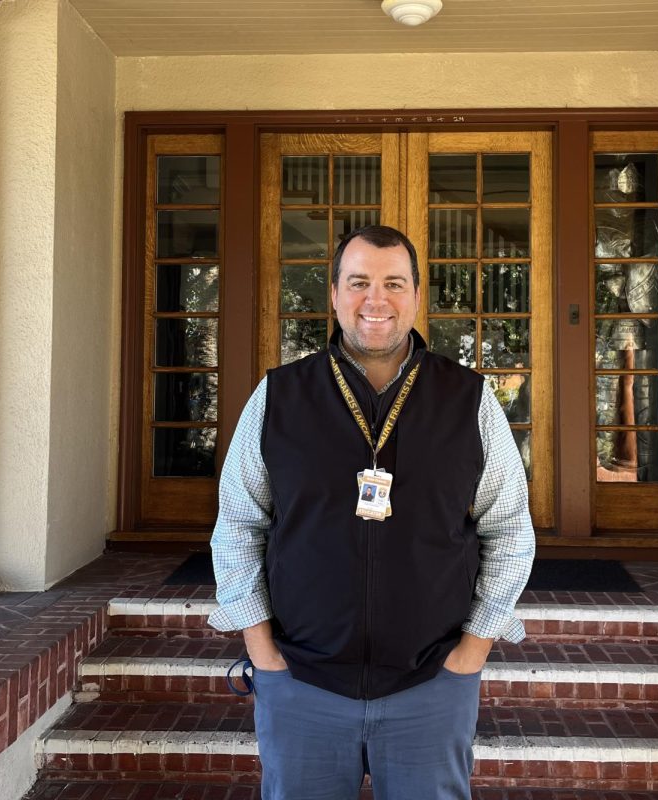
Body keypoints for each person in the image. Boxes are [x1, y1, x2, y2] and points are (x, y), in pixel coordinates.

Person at [209, 225, 535, 800]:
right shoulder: (278, 396)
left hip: (431, 684)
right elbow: (238, 524)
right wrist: (264, 653)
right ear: (334, 294)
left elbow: (508, 530)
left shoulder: (469, 400)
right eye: (358, 282)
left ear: (416, 295)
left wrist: (471, 652)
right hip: (302, 683)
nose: (376, 300)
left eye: (393, 283)